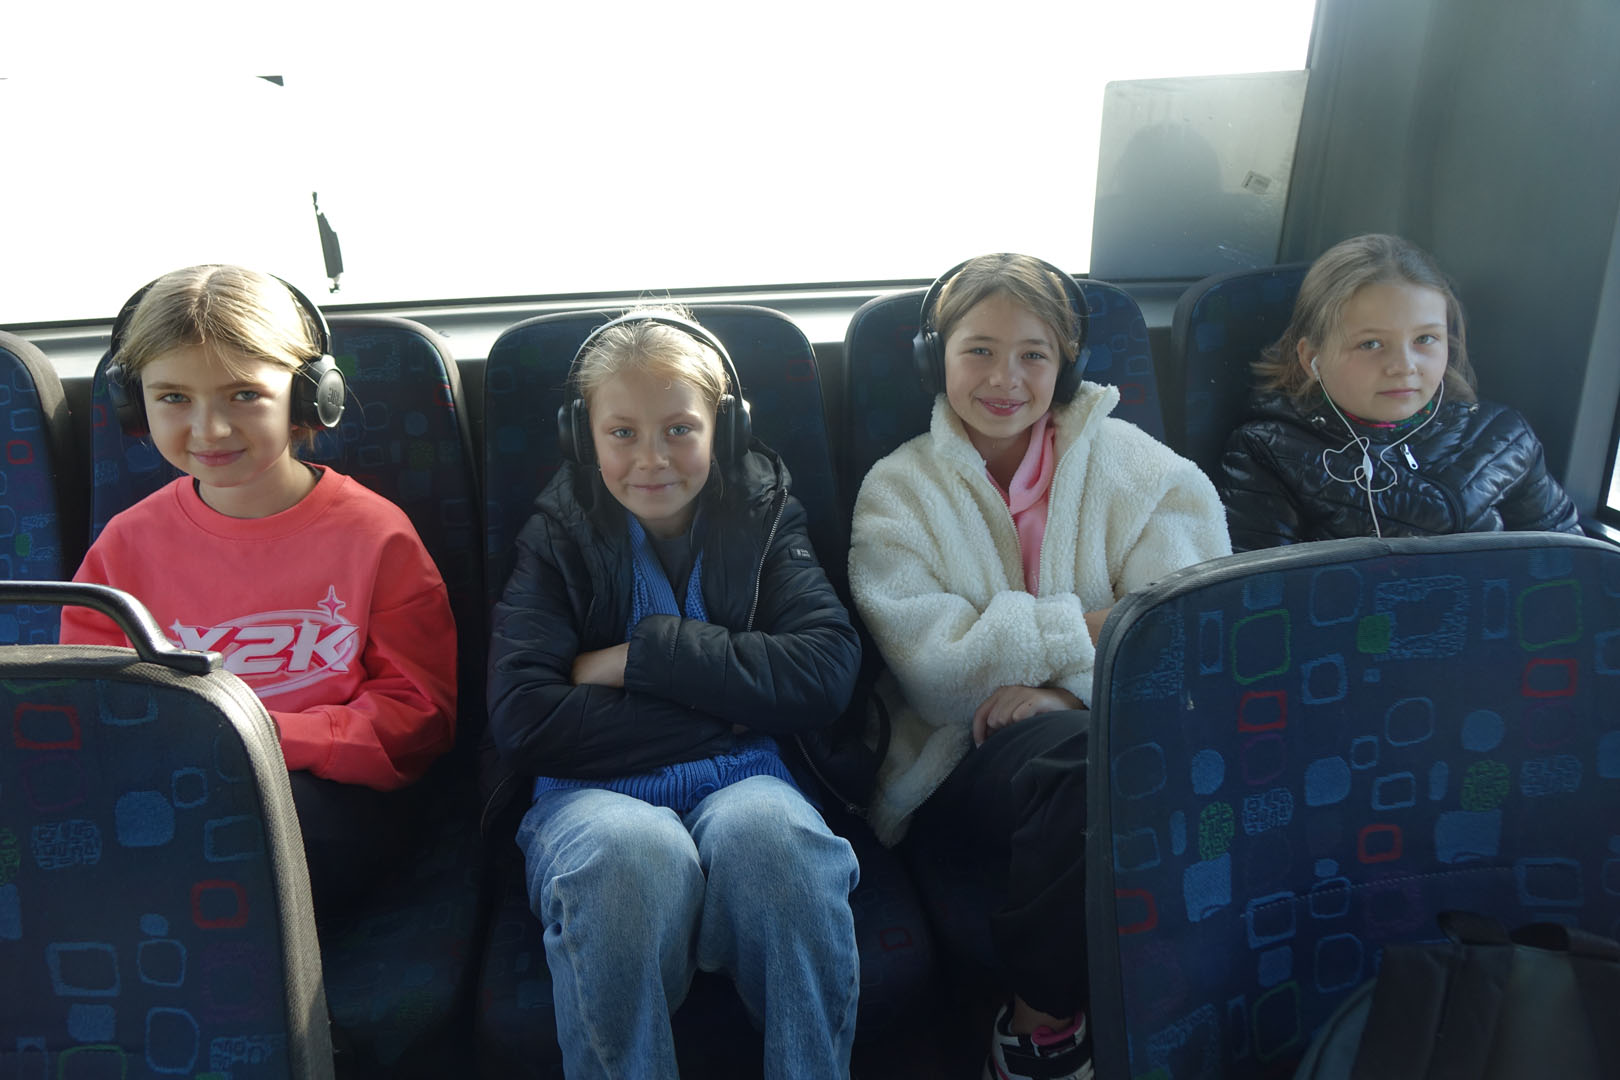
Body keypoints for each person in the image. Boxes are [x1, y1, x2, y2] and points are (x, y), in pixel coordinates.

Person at [848, 254, 1231, 1080]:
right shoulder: (897, 491)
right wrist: (1091, 628)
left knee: (1108, 753)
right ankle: (1037, 1028)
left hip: (1116, 731)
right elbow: (937, 672)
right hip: (964, 758)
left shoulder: (1144, 471)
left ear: (1068, 366)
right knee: (1084, 762)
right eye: (979, 351)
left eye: (1033, 354)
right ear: (934, 360)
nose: (1005, 378)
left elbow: (1188, 635)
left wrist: (1064, 691)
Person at [483, 309, 862, 1079]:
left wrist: (641, 657)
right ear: (582, 436)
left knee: (779, 846)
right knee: (630, 855)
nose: (651, 459)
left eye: (679, 430)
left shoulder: (765, 515)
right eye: (621, 432)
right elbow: (526, 718)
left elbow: (823, 670)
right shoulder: (556, 534)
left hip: (751, 784)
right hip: (589, 797)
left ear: (724, 429)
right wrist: (733, 706)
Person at [61, 264, 457, 917]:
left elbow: (418, 719)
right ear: (135, 405)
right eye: (173, 398)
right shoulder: (124, 547)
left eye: (244, 394)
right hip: (174, 793)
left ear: (309, 399)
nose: (209, 429)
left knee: (244, 820)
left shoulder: (375, 535)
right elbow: (90, 705)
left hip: (331, 799)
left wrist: (267, 735)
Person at [1220, 233, 1582, 550]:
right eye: (1371, 344)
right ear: (1311, 357)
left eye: (1425, 339)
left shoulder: (1502, 437)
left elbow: (1570, 565)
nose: (1404, 366)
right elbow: (1263, 594)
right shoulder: (1270, 452)